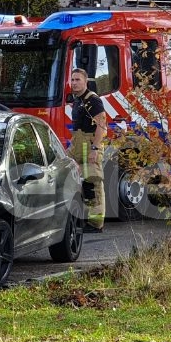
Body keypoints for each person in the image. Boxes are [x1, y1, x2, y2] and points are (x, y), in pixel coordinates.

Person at [67, 68, 108, 233]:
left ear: (85, 81)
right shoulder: (78, 100)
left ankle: (96, 224)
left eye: (78, 80)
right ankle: (81, 216)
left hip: (89, 143)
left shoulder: (93, 100)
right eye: (73, 80)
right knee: (76, 181)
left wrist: (95, 149)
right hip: (77, 143)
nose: (75, 83)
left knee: (93, 183)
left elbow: (101, 126)